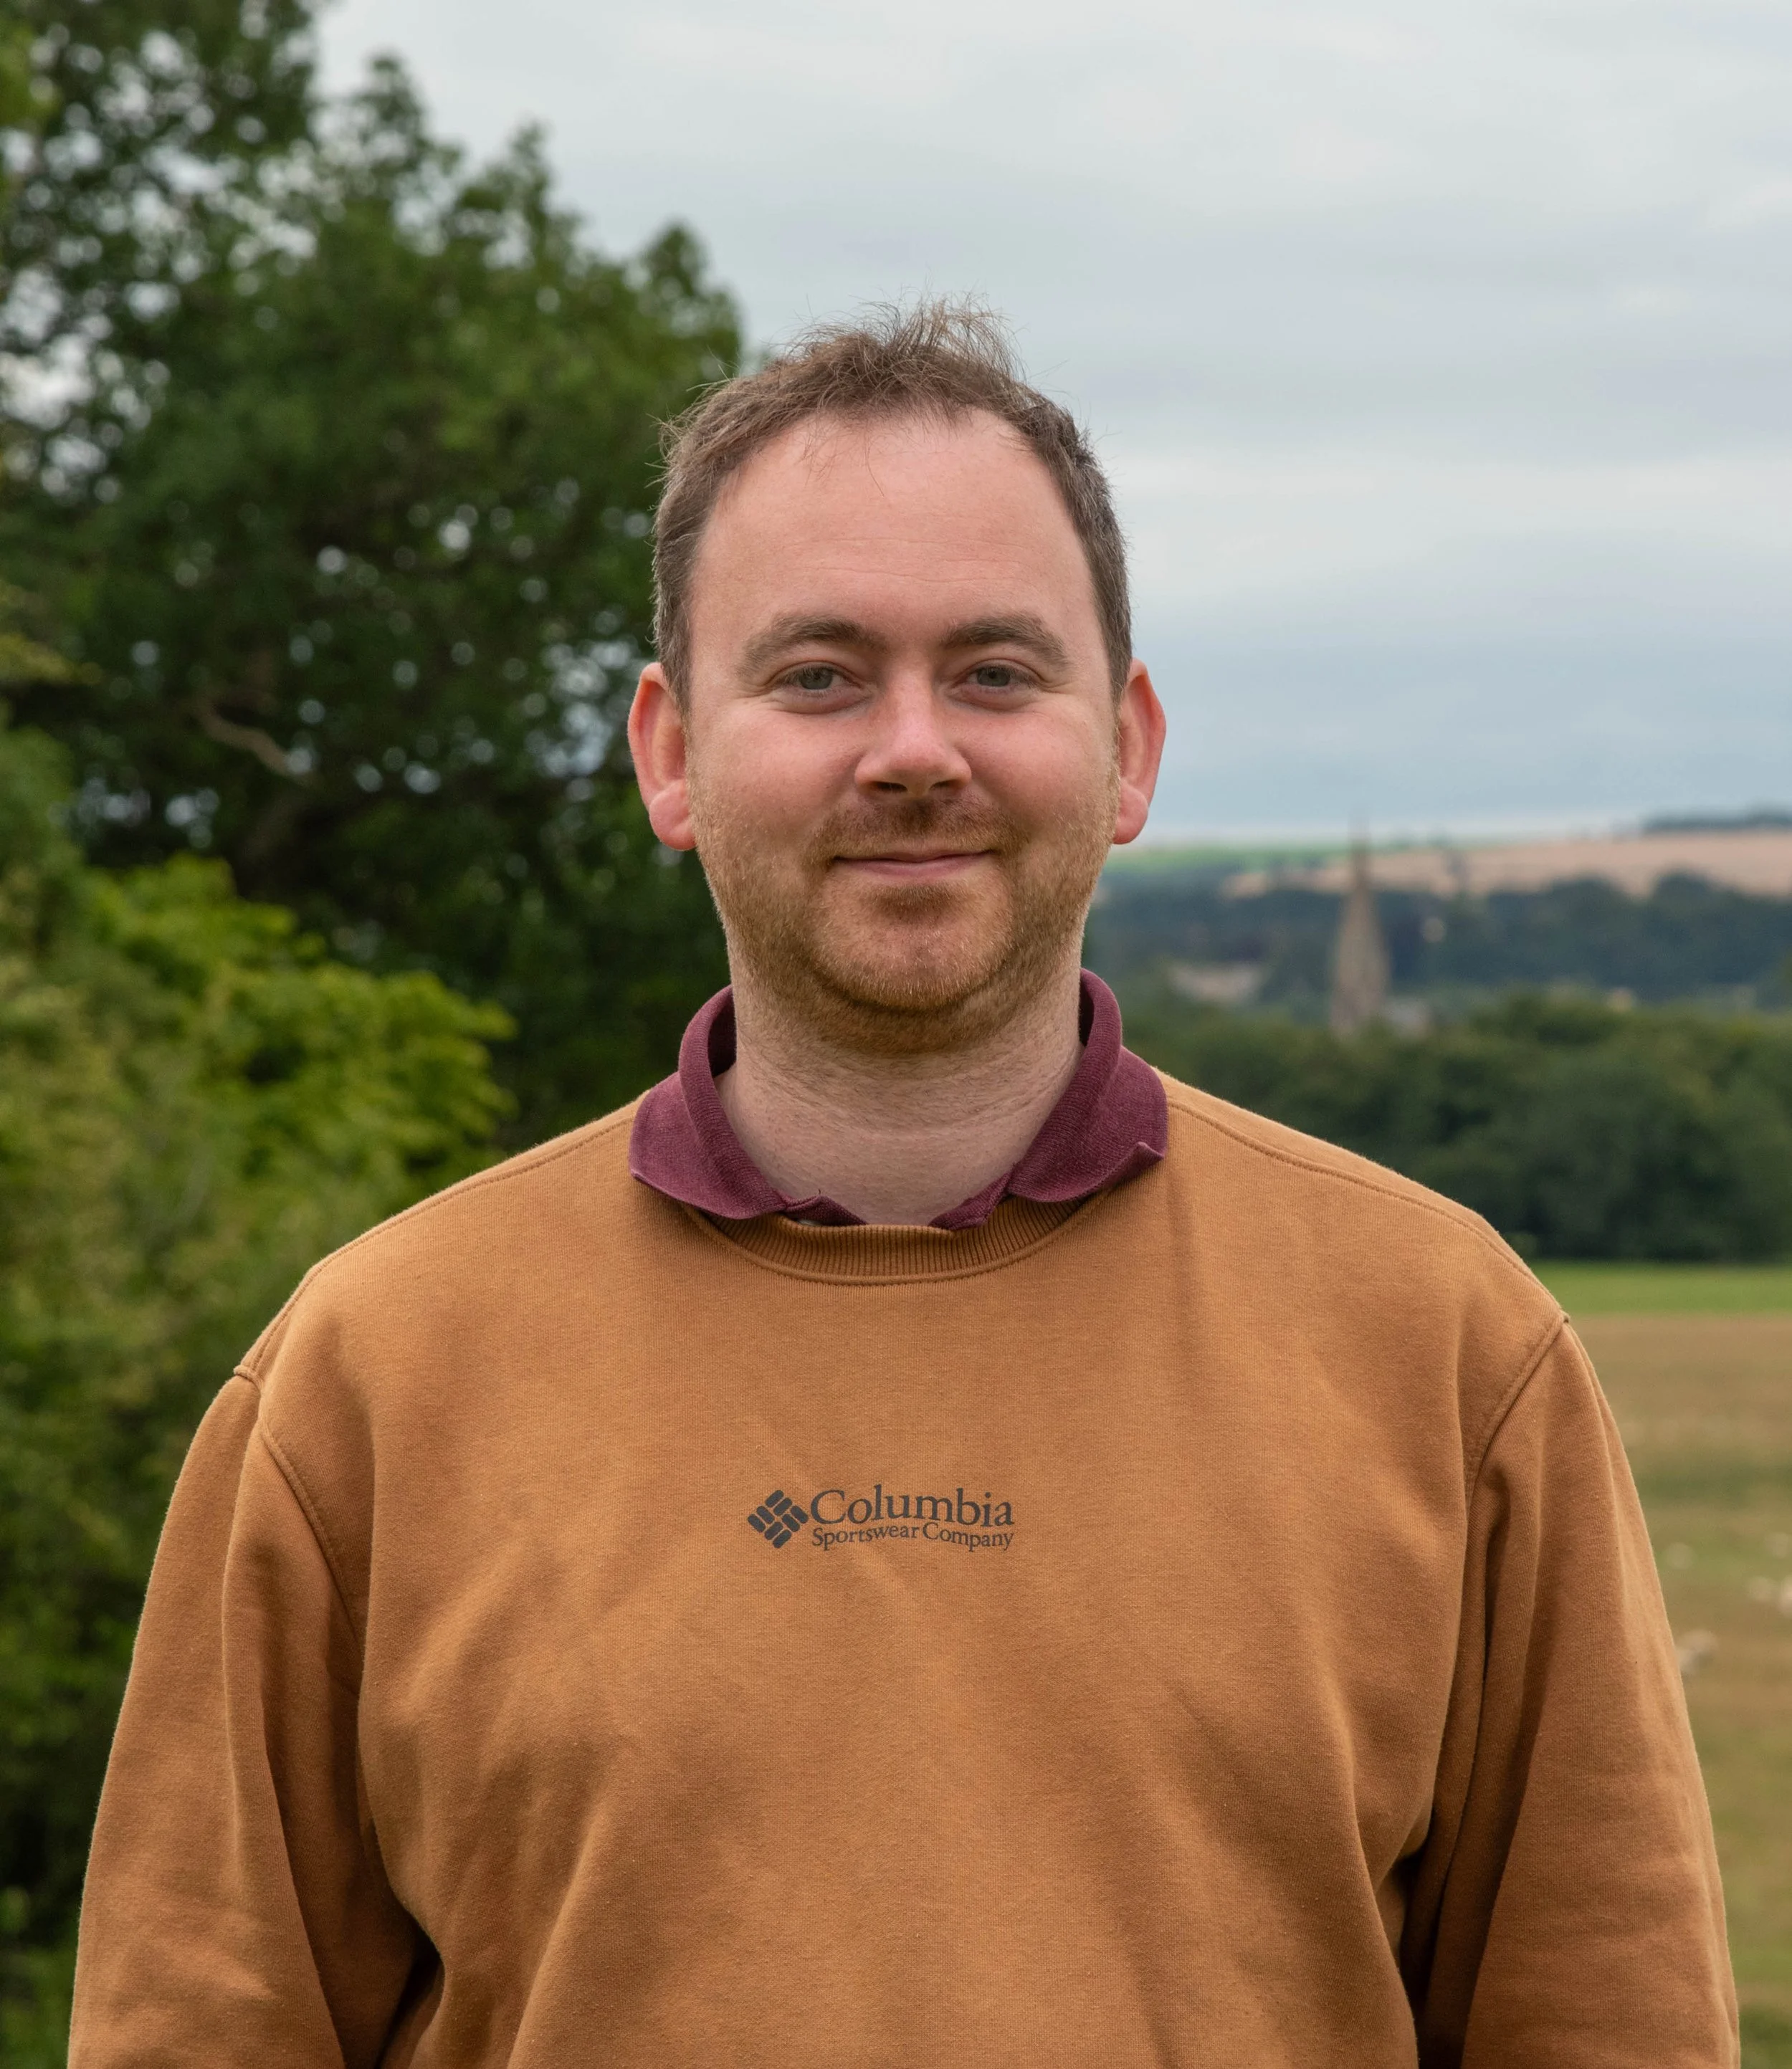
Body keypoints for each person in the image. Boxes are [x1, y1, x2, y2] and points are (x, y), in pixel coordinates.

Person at [71, 304, 1734, 2068]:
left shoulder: (1447, 1348)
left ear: (1128, 752)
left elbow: (1602, 2026)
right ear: (668, 754)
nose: (914, 748)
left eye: (997, 672)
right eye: (817, 675)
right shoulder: (370, 1375)